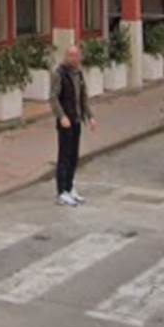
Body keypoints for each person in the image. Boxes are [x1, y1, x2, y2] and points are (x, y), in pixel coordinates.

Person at [53, 44, 97, 207]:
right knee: (64, 156)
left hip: (77, 120)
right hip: (65, 121)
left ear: (80, 57)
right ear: (66, 57)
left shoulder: (78, 74)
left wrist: (90, 116)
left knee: (74, 156)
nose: (73, 58)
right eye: (70, 55)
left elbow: (83, 97)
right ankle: (61, 192)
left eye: (76, 55)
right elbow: (53, 97)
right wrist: (61, 116)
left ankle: (70, 187)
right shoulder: (59, 74)